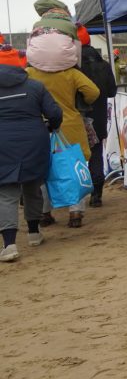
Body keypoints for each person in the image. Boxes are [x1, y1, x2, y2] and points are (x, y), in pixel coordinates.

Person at [25, 0, 99, 229]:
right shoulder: (71, 73)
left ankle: (45, 213)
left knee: (44, 171)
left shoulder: (30, 74)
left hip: (40, 128)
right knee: (74, 167)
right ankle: (76, 213)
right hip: (70, 125)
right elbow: (93, 92)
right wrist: (81, 103)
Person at [0, 45, 62, 260]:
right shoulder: (35, 86)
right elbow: (54, 113)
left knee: (6, 194)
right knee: (33, 187)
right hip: (34, 142)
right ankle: (34, 233)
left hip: (3, 145)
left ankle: (9, 244)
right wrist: (51, 127)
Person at [76, 24, 117, 207]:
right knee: (96, 153)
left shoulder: (72, 68)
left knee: (75, 157)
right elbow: (112, 91)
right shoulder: (104, 65)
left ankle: (78, 200)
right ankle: (97, 194)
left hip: (78, 117)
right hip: (99, 116)